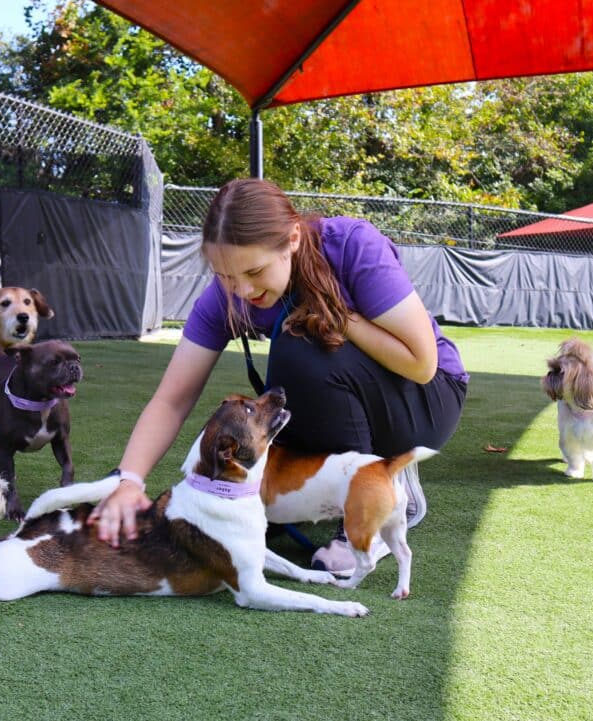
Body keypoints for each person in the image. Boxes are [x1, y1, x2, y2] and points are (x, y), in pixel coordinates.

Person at [93, 178, 468, 572]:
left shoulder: (352, 245)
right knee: (261, 405)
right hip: (348, 399)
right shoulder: (228, 295)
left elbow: (422, 364)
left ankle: (376, 501)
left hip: (425, 400)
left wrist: (334, 315)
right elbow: (173, 399)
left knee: (299, 345)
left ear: (291, 238)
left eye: (254, 270)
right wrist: (129, 480)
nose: (242, 289)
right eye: (225, 275)